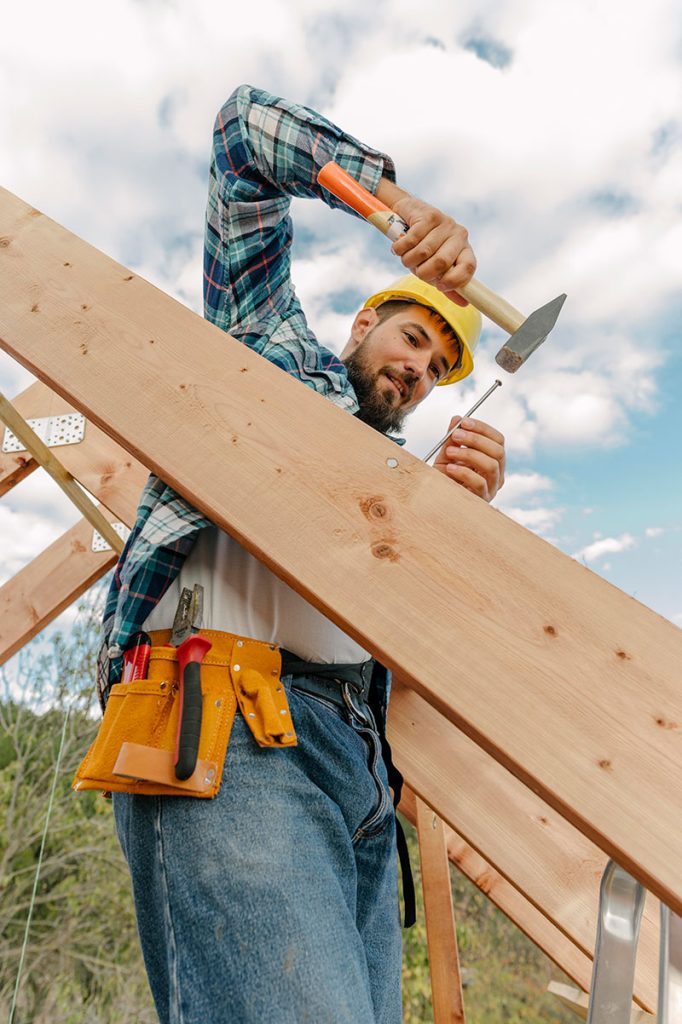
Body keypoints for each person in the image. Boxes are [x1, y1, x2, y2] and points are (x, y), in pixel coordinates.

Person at [102, 84, 506, 1024]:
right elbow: (244, 134)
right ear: (364, 326)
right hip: (232, 729)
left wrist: (457, 533)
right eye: (414, 336)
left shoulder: (402, 491)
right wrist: (392, 203)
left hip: (361, 773)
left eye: (439, 367)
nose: (419, 367)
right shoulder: (268, 349)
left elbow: (423, 663)